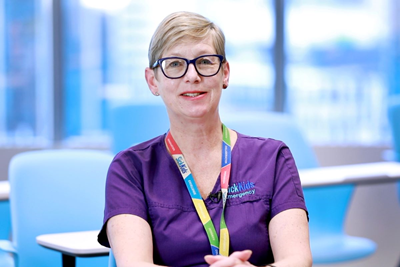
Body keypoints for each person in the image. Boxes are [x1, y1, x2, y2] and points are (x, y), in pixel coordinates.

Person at [98, 11, 312, 267]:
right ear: (152, 81)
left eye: (205, 61)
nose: (192, 76)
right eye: (175, 64)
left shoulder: (273, 158)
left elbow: (298, 260)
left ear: (225, 73)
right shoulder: (130, 168)